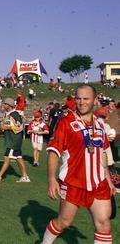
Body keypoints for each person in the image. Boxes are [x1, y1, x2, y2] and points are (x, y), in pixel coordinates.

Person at [41, 85, 116, 244]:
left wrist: (108, 181)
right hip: (73, 182)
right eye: (79, 98)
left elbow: (102, 154)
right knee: (64, 222)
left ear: (95, 100)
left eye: (86, 98)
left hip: (98, 183)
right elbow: (54, 152)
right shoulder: (65, 122)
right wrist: (52, 179)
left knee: (103, 223)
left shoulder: (100, 125)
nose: (81, 102)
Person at [0, 98, 31, 183]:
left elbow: (19, 127)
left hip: (13, 141)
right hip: (12, 140)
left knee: (6, 158)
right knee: (19, 158)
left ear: (9, 105)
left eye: (5, 104)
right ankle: (25, 177)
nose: (3, 105)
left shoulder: (15, 114)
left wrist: (8, 127)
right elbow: (4, 128)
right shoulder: (8, 114)